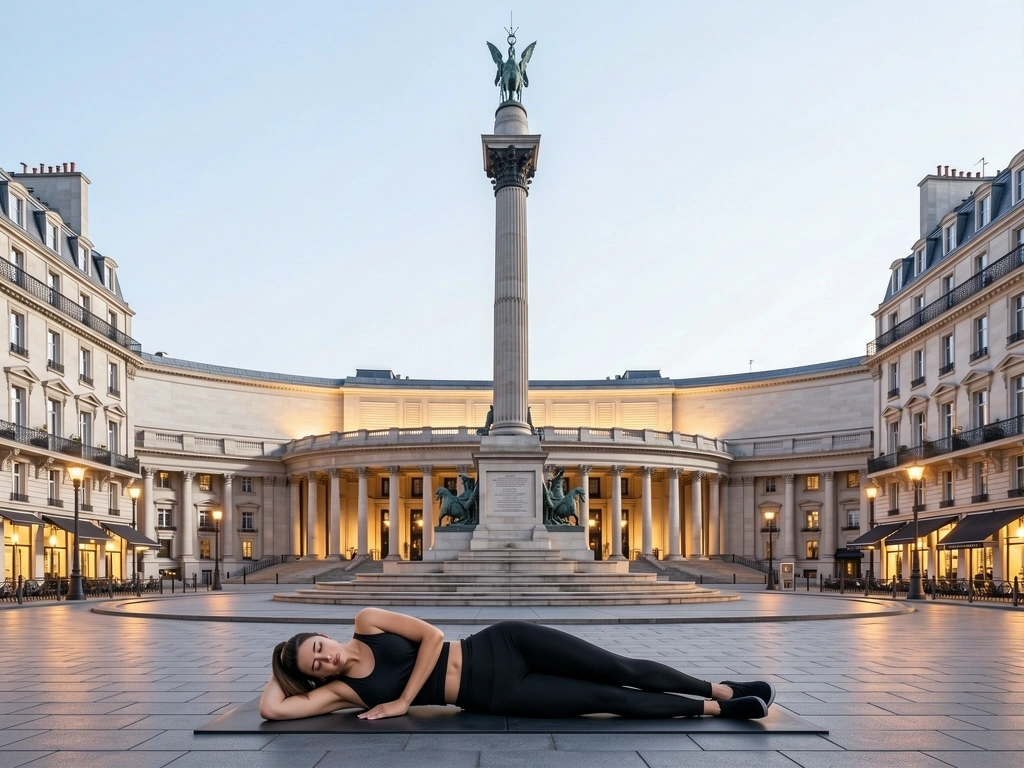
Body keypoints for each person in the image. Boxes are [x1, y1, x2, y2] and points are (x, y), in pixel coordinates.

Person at [259, 607, 774, 721]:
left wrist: (402, 702)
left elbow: (433, 636)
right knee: (605, 701)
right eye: (316, 665)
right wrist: (283, 663)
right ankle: (716, 709)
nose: (325, 659)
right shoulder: (344, 693)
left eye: (317, 647)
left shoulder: (368, 620)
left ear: (325, 635)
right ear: (316, 676)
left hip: (504, 645)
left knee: (620, 667)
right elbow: (275, 711)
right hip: (495, 695)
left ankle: (722, 687)